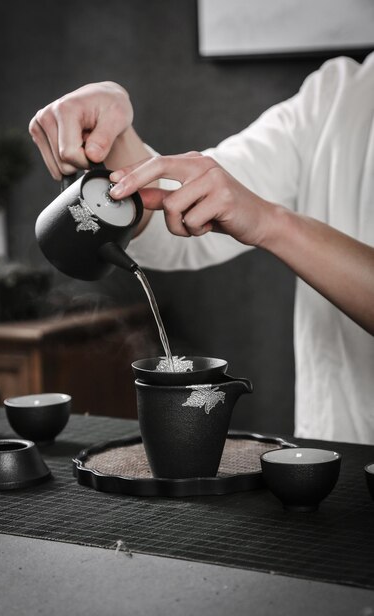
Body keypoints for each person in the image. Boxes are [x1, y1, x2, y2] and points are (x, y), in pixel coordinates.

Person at [29, 53, 374, 444]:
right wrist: (119, 135)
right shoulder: (336, 96)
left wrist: (274, 223)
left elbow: (252, 212)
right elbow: (183, 211)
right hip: (334, 449)